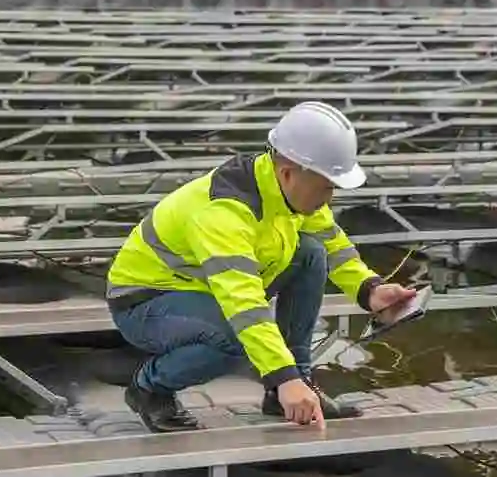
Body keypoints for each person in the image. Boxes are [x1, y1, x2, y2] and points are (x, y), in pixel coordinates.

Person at [105, 101, 416, 433]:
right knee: (235, 339)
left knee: (310, 252)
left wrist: (370, 290)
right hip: (147, 301)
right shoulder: (225, 211)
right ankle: (149, 388)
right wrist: (283, 376)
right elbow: (244, 303)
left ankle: (291, 388)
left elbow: (330, 242)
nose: (330, 199)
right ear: (288, 172)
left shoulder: (290, 190)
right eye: (327, 187)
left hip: (204, 289)